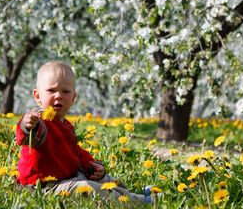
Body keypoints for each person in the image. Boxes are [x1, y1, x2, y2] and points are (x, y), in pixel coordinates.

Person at [16, 61, 154, 205]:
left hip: (68, 178)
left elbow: (75, 151)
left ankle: (130, 195)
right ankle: (138, 202)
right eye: (51, 90)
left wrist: (92, 165)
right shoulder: (39, 119)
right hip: (44, 187)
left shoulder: (66, 125)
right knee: (89, 189)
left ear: (73, 99)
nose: (58, 96)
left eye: (65, 91)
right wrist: (27, 125)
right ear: (37, 96)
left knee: (104, 179)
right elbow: (25, 136)